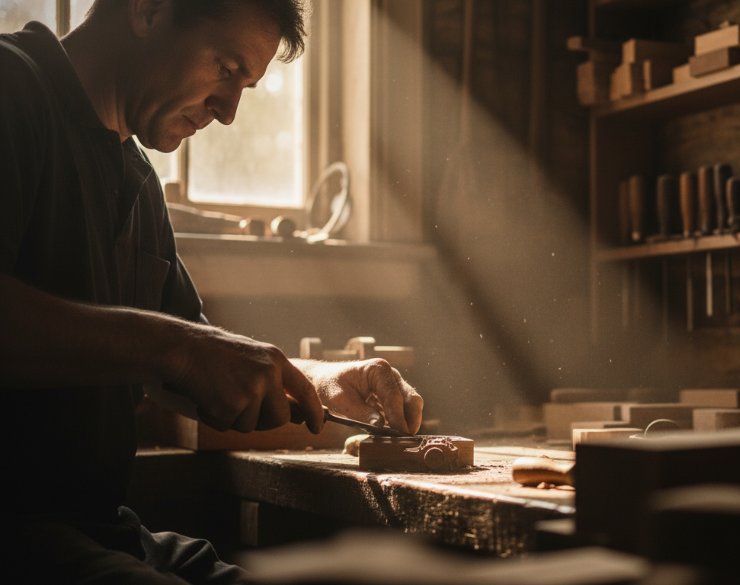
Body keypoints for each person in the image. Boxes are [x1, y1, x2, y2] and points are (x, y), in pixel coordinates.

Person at [0, 0, 423, 582]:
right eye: (226, 69)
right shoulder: (11, 89)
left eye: (246, 84)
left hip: (104, 530)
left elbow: (190, 360)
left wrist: (324, 385)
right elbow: (179, 349)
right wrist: (177, 348)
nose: (228, 113)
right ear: (147, 11)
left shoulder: (137, 180)